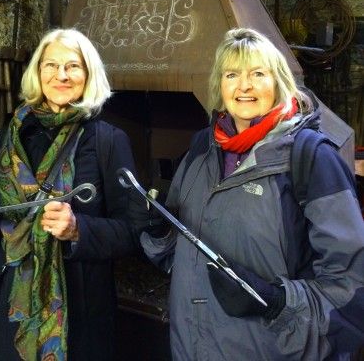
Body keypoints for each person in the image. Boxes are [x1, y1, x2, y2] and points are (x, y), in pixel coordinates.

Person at [130, 27, 364, 360]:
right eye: (232, 74)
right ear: (219, 85)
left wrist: (278, 302)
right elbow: (179, 258)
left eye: (257, 73)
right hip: (190, 346)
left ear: (278, 82)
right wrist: (157, 231)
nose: (244, 86)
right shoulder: (201, 148)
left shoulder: (311, 158)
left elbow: (352, 286)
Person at [0, 28, 138, 361]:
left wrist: (78, 229)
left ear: (88, 73)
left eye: (73, 66)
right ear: (38, 73)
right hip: (13, 305)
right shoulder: (11, 135)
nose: (61, 75)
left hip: (80, 310)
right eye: (50, 65)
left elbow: (131, 232)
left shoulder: (109, 140)